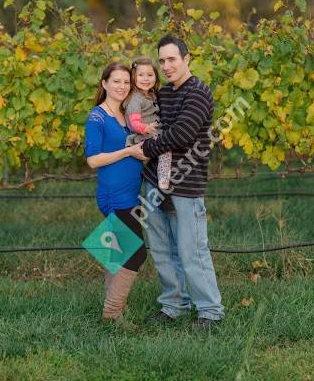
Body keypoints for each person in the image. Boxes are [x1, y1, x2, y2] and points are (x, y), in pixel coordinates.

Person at [140, 35, 225, 329]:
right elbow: (155, 128)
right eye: (162, 61)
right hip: (155, 181)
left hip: (186, 185)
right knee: (162, 249)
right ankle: (173, 305)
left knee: (192, 251)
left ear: (186, 59)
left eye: (172, 59)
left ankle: (210, 311)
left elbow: (181, 135)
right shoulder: (163, 94)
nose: (166, 66)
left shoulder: (198, 93)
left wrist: (145, 149)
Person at [83, 62, 148, 322]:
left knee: (116, 251)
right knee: (136, 253)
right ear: (104, 84)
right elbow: (93, 160)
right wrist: (128, 151)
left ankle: (112, 305)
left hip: (131, 193)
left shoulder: (126, 113)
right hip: (114, 195)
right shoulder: (97, 117)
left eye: (126, 82)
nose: (122, 86)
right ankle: (111, 313)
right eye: (116, 81)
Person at [123, 57, 173, 190]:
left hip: (152, 133)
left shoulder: (151, 94)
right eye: (141, 75)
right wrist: (146, 128)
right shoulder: (135, 99)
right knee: (166, 149)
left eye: (150, 75)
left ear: (155, 76)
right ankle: (164, 180)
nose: (146, 79)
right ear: (133, 76)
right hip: (143, 136)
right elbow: (133, 123)